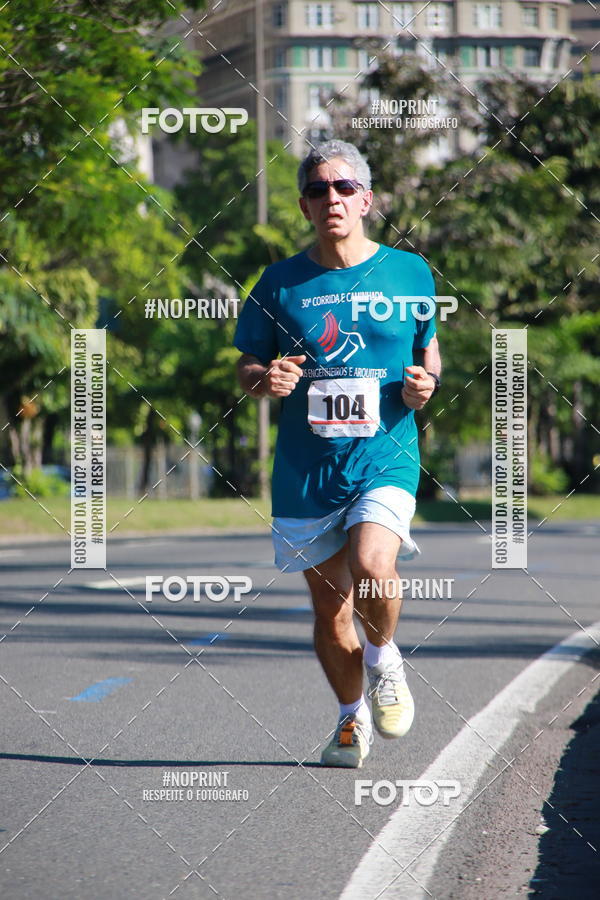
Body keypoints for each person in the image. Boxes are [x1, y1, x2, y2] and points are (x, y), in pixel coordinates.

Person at [234, 140, 441, 767]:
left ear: (367, 199)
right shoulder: (279, 283)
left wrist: (423, 386)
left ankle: (385, 660)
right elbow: (247, 363)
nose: (333, 198)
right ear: (304, 204)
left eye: (345, 187)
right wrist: (262, 378)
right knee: (330, 608)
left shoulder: (410, 272)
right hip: (307, 467)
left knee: (374, 564)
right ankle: (351, 722)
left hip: (385, 453)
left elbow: (427, 353)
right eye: (320, 189)